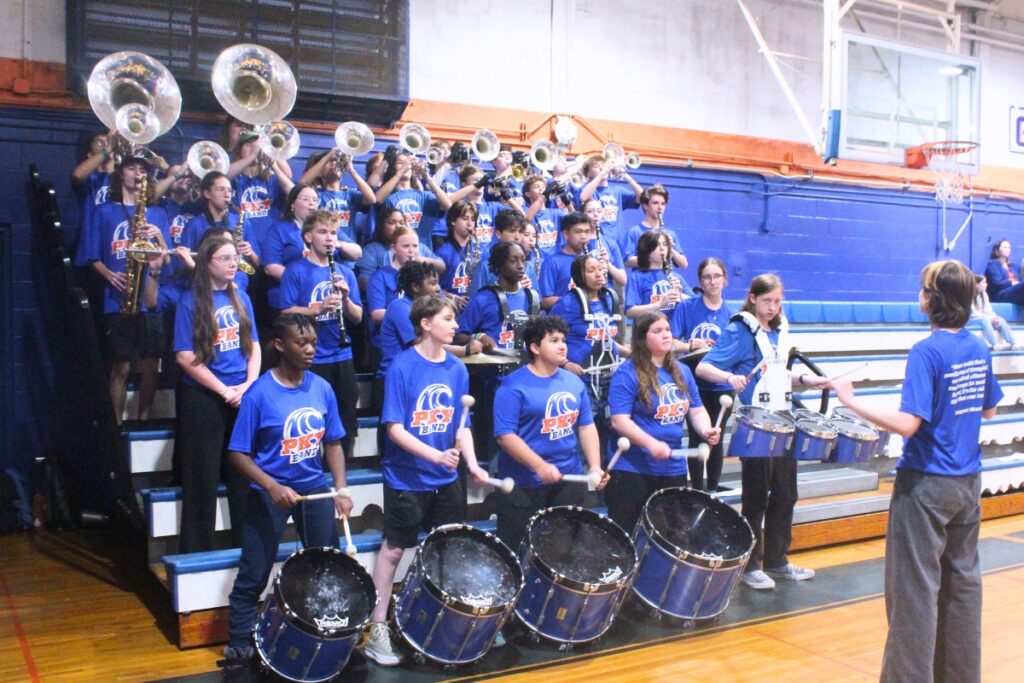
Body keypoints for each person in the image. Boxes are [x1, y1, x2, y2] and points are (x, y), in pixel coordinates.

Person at [830, 259, 1002, 683]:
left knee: (914, 596)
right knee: (962, 589)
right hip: (967, 485)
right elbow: (990, 408)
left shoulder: (926, 351)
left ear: (934, 300)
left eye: (924, 289)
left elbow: (909, 423)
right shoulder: (977, 346)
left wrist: (849, 401)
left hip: (925, 486)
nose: (920, 295)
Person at [365, 295, 489, 666]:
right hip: (407, 477)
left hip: (447, 477)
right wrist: (434, 454)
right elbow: (395, 429)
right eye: (448, 319)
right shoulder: (402, 367)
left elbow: (460, 426)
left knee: (447, 550)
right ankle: (377, 628)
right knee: (394, 550)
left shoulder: (456, 368)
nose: (455, 326)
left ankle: (439, 623)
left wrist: (472, 463)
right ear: (425, 323)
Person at [223, 313, 351, 662]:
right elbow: (237, 453)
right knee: (255, 568)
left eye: (313, 342)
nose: (311, 349)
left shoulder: (322, 388)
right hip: (269, 493)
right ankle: (239, 640)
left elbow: (334, 443)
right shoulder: (259, 394)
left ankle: (324, 630)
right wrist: (270, 485)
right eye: (302, 342)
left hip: (313, 487)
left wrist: (341, 488)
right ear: (280, 345)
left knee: (325, 566)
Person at [696, 274, 829, 590]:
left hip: (784, 419)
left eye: (778, 301)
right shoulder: (740, 329)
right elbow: (703, 367)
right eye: (767, 301)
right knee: (756, 498)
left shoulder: (780, 329)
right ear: (752, 298)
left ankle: (778, 561)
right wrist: (730, 378)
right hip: (755, 424)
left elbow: (779, 373)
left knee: (786, 494)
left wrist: (807, 381)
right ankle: (750, 564)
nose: (773, 307)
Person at [173, 236, 260, 553]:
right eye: (224, 258)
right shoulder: (190, 301)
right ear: (207, 263)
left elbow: (254, 346)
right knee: (202, 476)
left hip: (240, 392)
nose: (233, 263)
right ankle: (198, 551)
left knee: (243, 473)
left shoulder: (242, 297)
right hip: (205, 397)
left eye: (234, 257)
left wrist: (248, 384)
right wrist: (223, 389)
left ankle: (246, 543)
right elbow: (185, 356)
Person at [494, 315, 606, 551]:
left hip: (568, 480)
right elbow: (505, 435)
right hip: (523, 484)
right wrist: (539, 465)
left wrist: (594, 466)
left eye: (563, 339)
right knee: (518, 553)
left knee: (564, 552)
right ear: (535, 347)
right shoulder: (513, 386)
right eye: (553, 340)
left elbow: (586, 426)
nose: (562, 345)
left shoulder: (574, 382)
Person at [604, 312, 719, 534]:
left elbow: (696, 411)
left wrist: (707, 430)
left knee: (670, 536)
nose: (666, 335)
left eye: (667, 329)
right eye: (657, 331)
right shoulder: (626, 374)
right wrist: (650, 443)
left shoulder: (682, 371)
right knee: (628, 535)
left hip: (672, 468)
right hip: (632, 470)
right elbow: (619, 421)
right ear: (641, 339)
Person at [81, 154, 170, 423]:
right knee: (120, 366)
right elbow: (91, 255)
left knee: (151, 364)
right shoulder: (104, 210)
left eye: (142, 169)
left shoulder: (158, 213)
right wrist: (109, 274)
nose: (138, 173)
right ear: (122, 175)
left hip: (149, 297)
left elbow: (165, 257)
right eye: (132, 168)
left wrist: (158, 237)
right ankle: (115, 425)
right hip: (116, 298)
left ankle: (144, 419)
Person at [280, 210, 364, 459]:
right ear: (308, 236)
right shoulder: (295, 270)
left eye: (333, 233)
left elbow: (358, 317)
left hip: (341, 354)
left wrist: (346, 299)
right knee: (312, 416)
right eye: (322, 232)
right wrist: (314, 310)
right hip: (312, 357)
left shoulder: (345, 272)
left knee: (346, 413)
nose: (329, 238)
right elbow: (285, 312)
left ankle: (341, 467)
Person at [550, 254, 630, 453]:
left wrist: (629, 352)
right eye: (591, 270)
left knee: (611, 432)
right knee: (584, 432)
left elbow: (605, 339)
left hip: (609, 376)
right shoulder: (567, 303)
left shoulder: (609, 298)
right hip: (583, 380)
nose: (599, 274)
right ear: (579, 275)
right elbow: (547, 337)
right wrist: (565, 363)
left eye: (600, 269)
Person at [672, 257, 734, 491]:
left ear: (725, 280)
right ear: (700, 281)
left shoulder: (733, 314)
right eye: (707, 277)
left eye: (717, 276)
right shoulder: (687, 307)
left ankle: (713, 490)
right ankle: (697, 489)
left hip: (721, 385)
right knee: (698, 437)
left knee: (715, 438)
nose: (712, 281)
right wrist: (690, 345)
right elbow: (671, 343)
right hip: (694, 384)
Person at [263, 183, 361, 313]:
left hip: (325, 291)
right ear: (292, 204)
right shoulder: (279, 229)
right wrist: (306, 280)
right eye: (306, 199)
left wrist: (338, 243)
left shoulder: (328, 229)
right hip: (290, 296)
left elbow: (357, 253)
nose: (311, 203)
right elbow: (270, 267)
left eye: (315, 200)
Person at [180, 172, 260, 275]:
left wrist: (250, 253)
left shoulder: (242, 221)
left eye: (229, 190)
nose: (227, 195)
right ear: (207, 193)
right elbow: (183, 262)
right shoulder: (194, 225)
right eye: (221, 189)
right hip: (203, 280)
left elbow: (257, 262)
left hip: (238, 279)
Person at [226, 130, 295, 249]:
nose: (255, 149)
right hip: (241, 242)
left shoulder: (272, 179)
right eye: (248, 145)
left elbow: (294, 193)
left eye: (258, 146)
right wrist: (252, 156)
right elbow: (222, 176)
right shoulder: (232, 179)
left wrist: (274, 165)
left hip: (271, 242)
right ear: (239, 150)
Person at [299, 149, 377, 244]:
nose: (335, 163)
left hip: (349, 249)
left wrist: (351, 170)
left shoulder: (349, 193)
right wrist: (329, 155)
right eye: (329, 161)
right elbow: (300, 185)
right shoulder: (316, 194)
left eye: (336, 160)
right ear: (319, 173)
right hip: (323, 246)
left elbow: (371, 199)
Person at [374, 151, 453, 245]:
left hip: (422, 249)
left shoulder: (423, 195)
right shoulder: (389, 195)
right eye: (400, 163)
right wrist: (400, 172)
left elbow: (448, 206)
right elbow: (377, 200)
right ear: (393, 168)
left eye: (408, 163)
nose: (406, 166)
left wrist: (427, 176)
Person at [354, 206, 443, 289]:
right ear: (381, 226)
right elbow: (364, 281)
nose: (398, 226)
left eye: (401, 223)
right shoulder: (372, 249)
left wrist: (421, 260)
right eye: (391, 222)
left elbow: (442, 266)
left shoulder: (419, 246)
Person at [577, 153, 643, 251]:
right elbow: (583, 197)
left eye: (603, 165)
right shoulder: (588, 190)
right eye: (596, 166)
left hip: (619, 243)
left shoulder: (618, 190)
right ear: (588, 173)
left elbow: (643, 197)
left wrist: (625, 175)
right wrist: (602, 173)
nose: (601, 168)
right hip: (597, 242)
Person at [625, 230, 690, 319]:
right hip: (647, 328)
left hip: (672, 330)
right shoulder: (636, 277)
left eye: (665, 244)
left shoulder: (675, 277)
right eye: (657, 245)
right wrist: (659, 305)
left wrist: (680, 295)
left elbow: (695, 303)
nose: (662, 248)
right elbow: (630, 311)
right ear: (647, 249)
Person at [624, 185, 687, 271]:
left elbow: (684, 264)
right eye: (655, 203)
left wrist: (670, 249)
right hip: (643, 280)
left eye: (663, 204)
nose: (660, 207)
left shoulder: (670, 233)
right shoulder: (635, 231)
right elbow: (627, 261)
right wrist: (653, 257)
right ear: (645, 205)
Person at [539, 211, 593, 309]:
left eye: (587, 231)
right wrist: (578, 300)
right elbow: (544, 301)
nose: (583, 236)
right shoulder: (552, 262)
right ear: (566, 234)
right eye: (578, 232)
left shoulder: (592, 260)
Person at [436, 201, 480, 307]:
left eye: (473, 219)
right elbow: (432, 287)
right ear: (453, 221)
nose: (470, 223)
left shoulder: (482, 250)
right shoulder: (442, 252)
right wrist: (451, 298)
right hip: (451, 308)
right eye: (465, 219)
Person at [972, 273, 1019, 351]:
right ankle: (994, 344)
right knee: (984, 319)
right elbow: (972, 313)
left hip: (983, 318)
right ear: (976, 285)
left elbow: (988, 310)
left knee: (1000, 320)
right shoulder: (968, 295)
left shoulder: (984, 295)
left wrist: (994, 318)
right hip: (971, 319)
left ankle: (1013, 343)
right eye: (983, 283)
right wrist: (988, 318)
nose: (986, 285)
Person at [984, 238, 1024, 305]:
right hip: (1000, 294)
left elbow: (1020, 280)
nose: (1008, 249)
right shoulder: (993, 264)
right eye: (1005, 247)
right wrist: (1012, 283)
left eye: (1009, 248)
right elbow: (996, 284)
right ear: (997, 250)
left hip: (1015, 291)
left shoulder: (1013, 266)